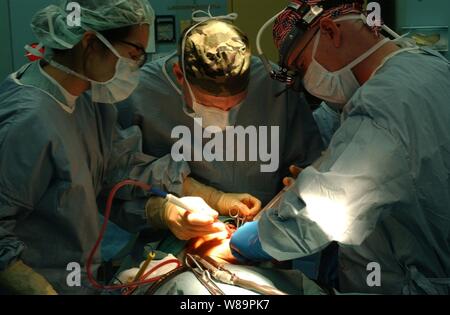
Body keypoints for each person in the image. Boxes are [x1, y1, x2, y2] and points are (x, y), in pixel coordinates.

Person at [0, 0, 241, 295]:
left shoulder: (88, 98)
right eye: (134, 54)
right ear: (91, 42)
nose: (138, 65)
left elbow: (117, 167)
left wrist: (177, 209)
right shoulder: (27, 121)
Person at [230, 0, 450, 295]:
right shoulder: (428, 64)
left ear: (331, 31)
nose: (307, 81)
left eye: (302, 66)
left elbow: (327, 212)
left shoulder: (385, 103)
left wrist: (258, 237)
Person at [117, 15, 324, 233]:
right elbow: (116, 180)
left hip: (264, 238)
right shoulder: (139, 94)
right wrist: (162, 214)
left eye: (235, 105)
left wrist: (293, 198)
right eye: (208, 104)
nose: (223, 118)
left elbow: (308, 167)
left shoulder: (274, 86)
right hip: (172, 246)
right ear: (180, 75)